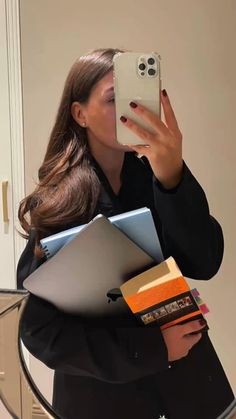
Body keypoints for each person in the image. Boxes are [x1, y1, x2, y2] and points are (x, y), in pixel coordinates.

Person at [17, 48, 234, 419]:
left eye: (138, 96)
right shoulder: (59, 201)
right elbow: (38, 328)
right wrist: (151, 349)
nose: (130, 109)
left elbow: (205, 260)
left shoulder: (158, 175)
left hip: (191, 384)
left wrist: (172, 177)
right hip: (104, 398)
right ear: (79, 113)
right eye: (114, 97)